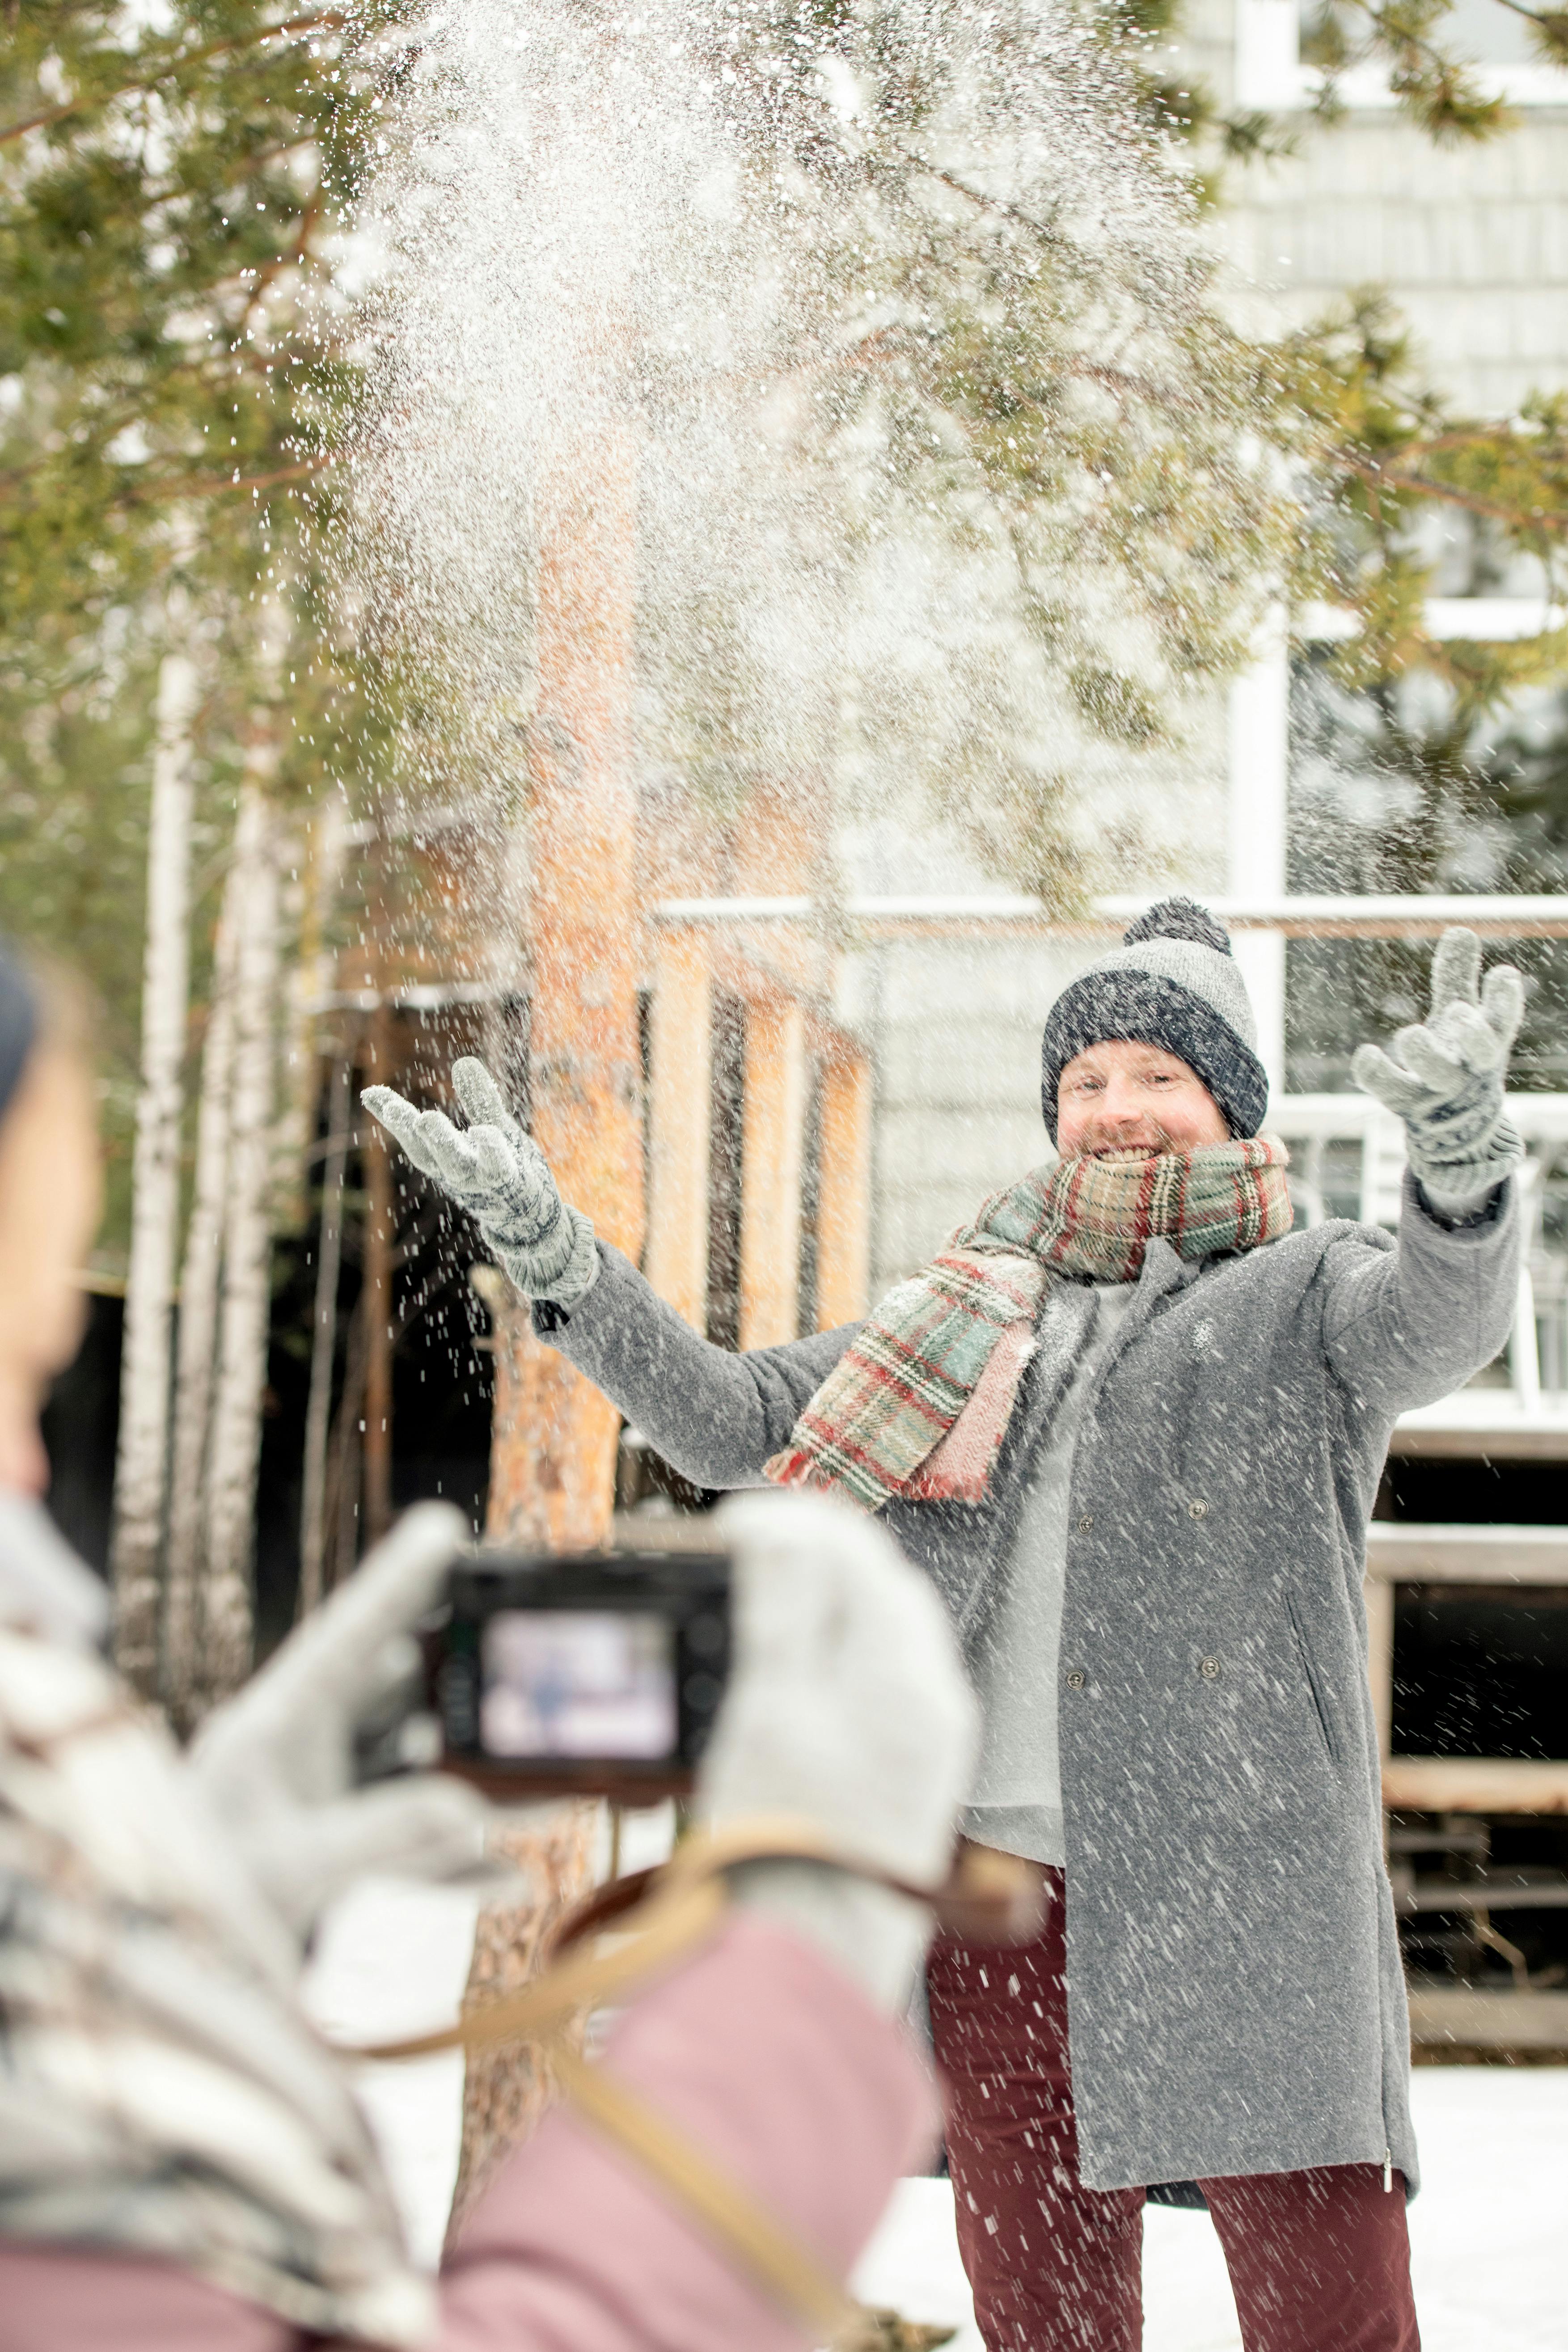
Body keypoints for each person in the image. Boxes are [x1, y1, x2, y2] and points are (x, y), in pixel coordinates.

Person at [368, 897, 1526, 2352]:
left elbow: (1442, 1318)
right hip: (994, 1904)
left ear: (1228, 1103)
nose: (1117, 1109)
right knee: (1041, 2316)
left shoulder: (1304, 1299)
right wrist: (560, 1258)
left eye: (1158, 1078)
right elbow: (728, 1422)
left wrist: (1462, 1169)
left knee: (1330, 2321)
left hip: (1241, 1892)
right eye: (1086, 1081)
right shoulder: (968, 1316)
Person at [0, 940, 981, 2349]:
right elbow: (719, 1415)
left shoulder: (1269, 1305)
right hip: (935, 1874)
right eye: (30, 1373)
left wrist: (168, 1923)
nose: (33, 1477)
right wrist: (794, 1973)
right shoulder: (935, 1326)